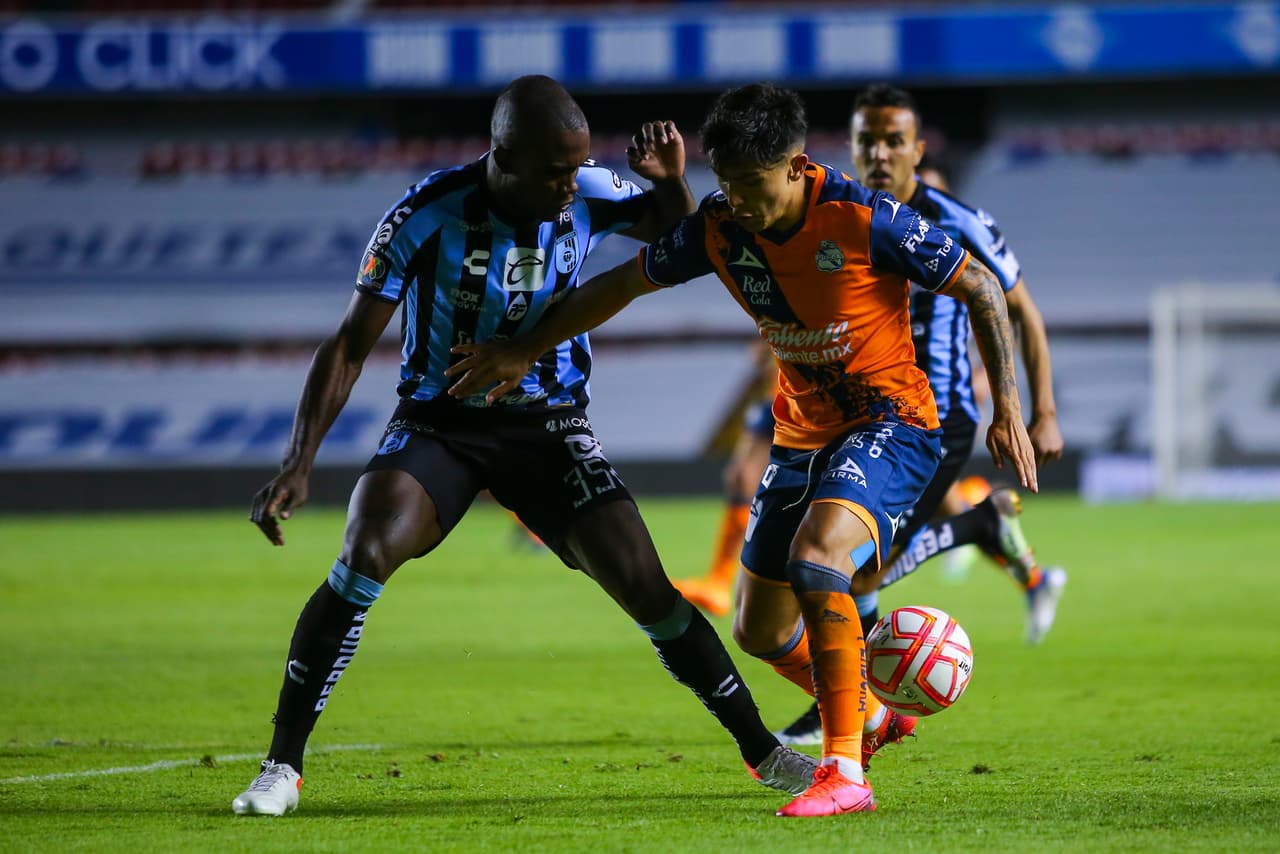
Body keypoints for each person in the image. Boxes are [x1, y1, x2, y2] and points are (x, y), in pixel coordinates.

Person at [444, 82, 1037, 818]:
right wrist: (524, 347)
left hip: (893, 422)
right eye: (723, 183)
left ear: (794, 166)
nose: (735, 202)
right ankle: (874, 716)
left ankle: (845, 772)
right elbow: (622, 285)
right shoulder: (721, 226)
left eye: (750, 186)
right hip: (801, 434)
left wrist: (1008, 409)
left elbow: (980, 286)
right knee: (758, 630)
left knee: (819, 560)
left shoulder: (864, 218)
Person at [231, 75, 818, 817]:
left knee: (646, 587)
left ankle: (763, 751)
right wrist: (297, 463)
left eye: (577, 167)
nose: (570, 186)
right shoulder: (425, 212)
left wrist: (670, 184)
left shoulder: (590, 189)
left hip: (550, 427)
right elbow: (349, 345)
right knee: (364, 552)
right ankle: (280, 766)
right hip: (440, 424)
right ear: (502, 156)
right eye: (554, 171)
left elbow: (674, 237)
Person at [775, 83, 1069, 748]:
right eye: (866, 141)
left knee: (851, 566)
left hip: (937, 421)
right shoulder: (840, 211)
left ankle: (854, 706)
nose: (879, 153)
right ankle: (981, 527)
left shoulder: (955, 218)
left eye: (893, 141)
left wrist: (1035, 411)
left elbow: (1020, 310)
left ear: (918, 148)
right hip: (859, 416)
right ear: (850, 148)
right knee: (848, 564)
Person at [673, 342, 777, 618]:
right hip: (778, 393)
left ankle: (791, 583)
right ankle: (719, 581)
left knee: (793, 486)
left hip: (806, 396)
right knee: (740, 476)